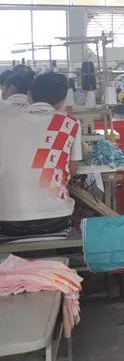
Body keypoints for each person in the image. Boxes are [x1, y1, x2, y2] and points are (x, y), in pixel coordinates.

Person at [0, 72, 82, 237]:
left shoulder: (5, 121)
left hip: (7, 221)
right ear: (62, 101)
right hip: (54, 219)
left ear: (29, 95)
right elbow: (72, 170)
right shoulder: (70, 123)